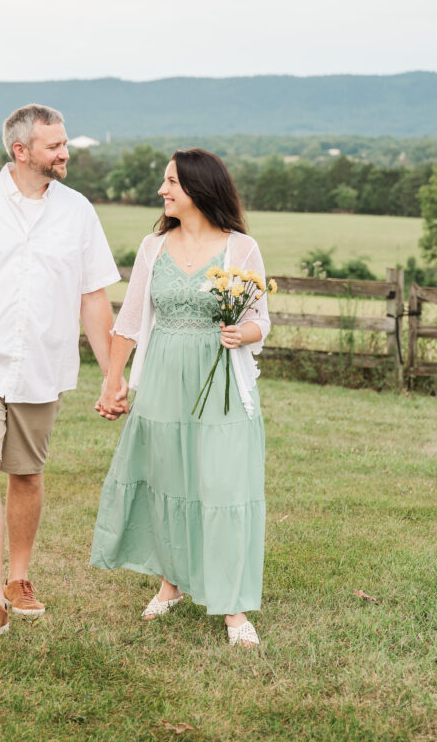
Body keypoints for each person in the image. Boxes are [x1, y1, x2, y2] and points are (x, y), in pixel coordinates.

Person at [0, 104, 123, 642]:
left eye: (63, 144)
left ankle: (19, 579)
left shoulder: (78, 211)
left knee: (27, 475)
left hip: (42, 364)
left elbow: (94, 294)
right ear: (21, 151)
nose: (65, 153)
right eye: (55, 145)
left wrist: (112, 373)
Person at [91, 149, 270, 646]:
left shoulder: (241, 248)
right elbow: (128, 321)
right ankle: (171, 584)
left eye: (170, 182)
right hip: (164, 378)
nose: (162, 191)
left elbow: (263, 321)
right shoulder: (153, 247)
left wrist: (243, 333)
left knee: (224, 487)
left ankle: (233, 608)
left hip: (222, 386)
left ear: (198, 188)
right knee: (168, 480)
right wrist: (114, 379)